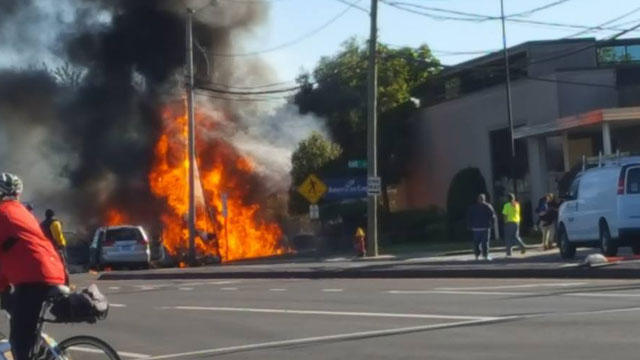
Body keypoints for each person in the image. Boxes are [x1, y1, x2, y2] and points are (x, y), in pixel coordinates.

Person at [0, 173, 67, 360]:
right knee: (23, 323)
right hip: (49, 271)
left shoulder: (3, 214)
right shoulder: (21, 211)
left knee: (19, 341)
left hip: (35, 278)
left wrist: (3, 287)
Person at [467, 193, 497, 261]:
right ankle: (485, 256)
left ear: (478, 199)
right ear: (484, 199)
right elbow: (492, 216)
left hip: (476, 228)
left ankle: (477, 256)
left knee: (476, 243)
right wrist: (492, 224)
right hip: (485, 227)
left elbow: (469, 217)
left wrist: (470, 226)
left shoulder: (472, 207)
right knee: (485, 242)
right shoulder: (488, 206)